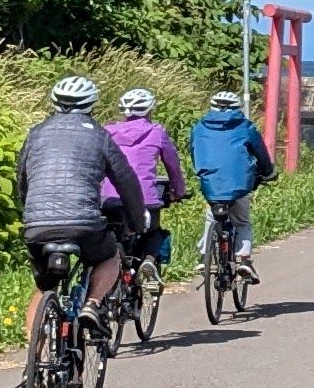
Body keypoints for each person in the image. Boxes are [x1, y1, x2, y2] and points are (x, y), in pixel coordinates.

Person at [14, 76, 143, 354]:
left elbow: (22, 180)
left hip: (37, 224)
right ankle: (92, 304)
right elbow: (126, 180)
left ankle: (33, 360)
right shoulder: (98, 135)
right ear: (92, 104)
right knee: (109, 256)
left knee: (44, 286)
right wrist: (135, 220)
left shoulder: (36, 133)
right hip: (83, 223)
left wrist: (30, 214)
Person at [101, 87, 186, 315]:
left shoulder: (107, 132)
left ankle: (111, 272)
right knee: (154, 231)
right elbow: (173, 166)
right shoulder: (157, 132)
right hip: (145, 197)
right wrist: (178, 191)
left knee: (112, 234)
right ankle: (148, 260)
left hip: (108, 197)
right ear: (149, 110)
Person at [190, 92, 275, 284]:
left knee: (211, 218)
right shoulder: (245, 127)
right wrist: (268, 172)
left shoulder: (199, 128)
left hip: (211, 183)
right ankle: (243, 260)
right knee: (242, 222)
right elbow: (260, 153)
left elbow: (194, 151)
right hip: (239, 184)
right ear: (237, 108)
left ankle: (205, 256)